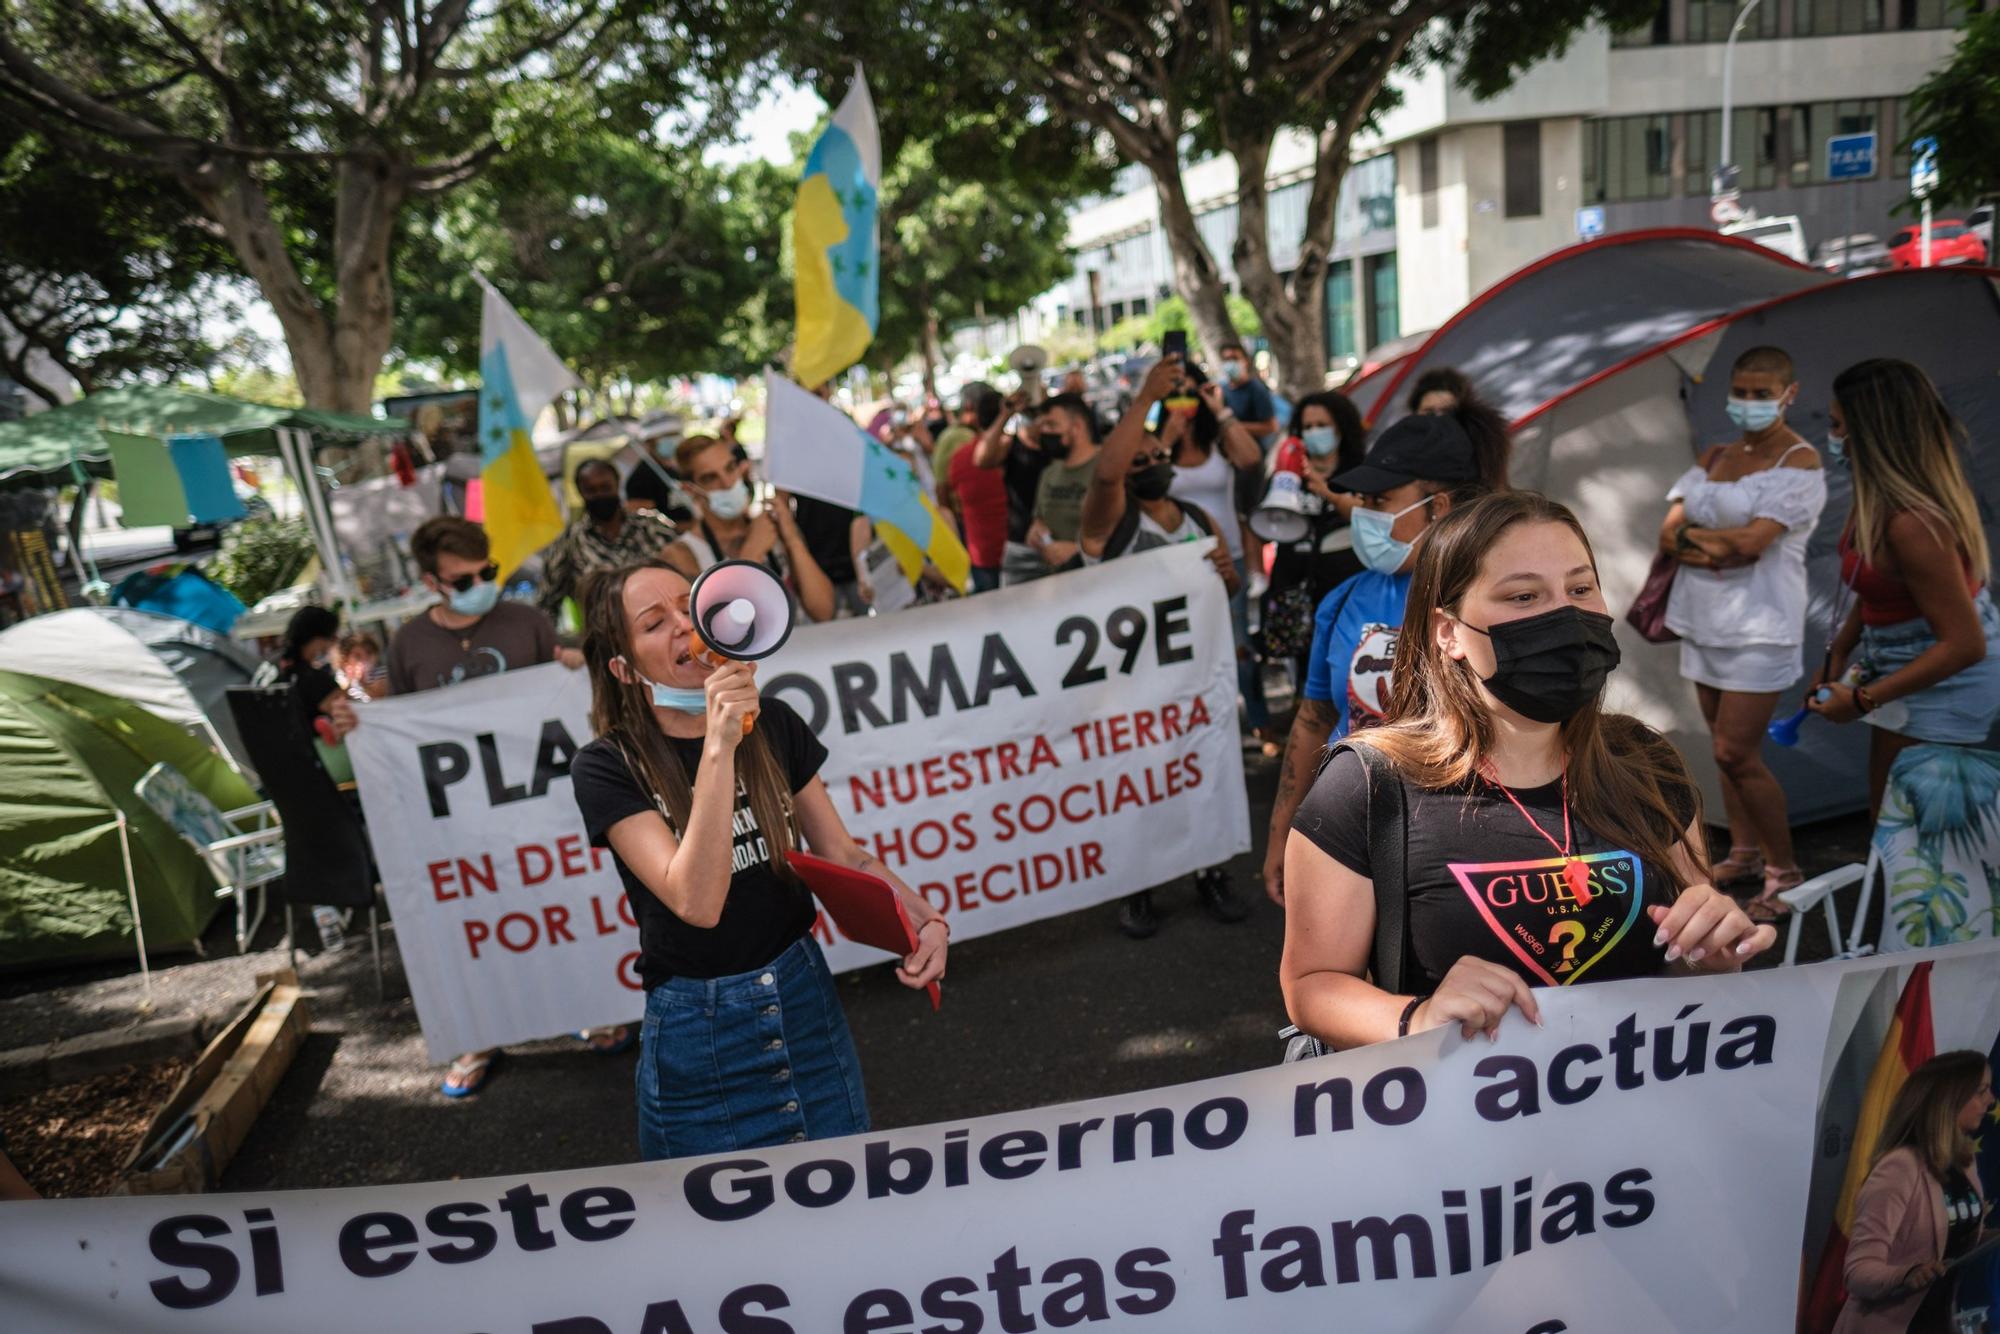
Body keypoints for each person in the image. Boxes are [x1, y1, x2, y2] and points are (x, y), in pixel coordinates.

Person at [1279, 491, 1777, 1048]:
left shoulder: (1649, 765)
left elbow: (1681, 969)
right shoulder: (1368, 784)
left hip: (1632, 1112)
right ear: (1448, 632)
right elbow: (1312, 985)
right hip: (1460, 1124)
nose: (1563, 615)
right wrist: (1417, 1020)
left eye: (1581, 588)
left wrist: (1711, 958)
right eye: (1523, 596)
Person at [570, 561, 947, 1159]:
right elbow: (695, 902)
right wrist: (719, 741)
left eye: (687, 604)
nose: (684, 625)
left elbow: (843, 852)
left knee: (843, 1192)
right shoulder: (606, 766)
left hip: (804, 1000)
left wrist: (921, 918)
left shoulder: (773, 723)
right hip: (700, 1031)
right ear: (623, 668)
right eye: (652, 623)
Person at [384, 515, 617, 1094]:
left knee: (560, 908)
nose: (480, 585)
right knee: (476, 922)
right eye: (462, 581)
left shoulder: (526, 621)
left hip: (541, 807)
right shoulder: (409, 643)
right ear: (432, 583)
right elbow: (397, 726)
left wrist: (570, 663)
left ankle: (585, 1006)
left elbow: (565, 690)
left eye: (486, 572)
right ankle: (481, 1033)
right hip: (461, 821)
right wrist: (356, 719)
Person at [1262, 411, 1504, 906]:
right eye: (1363, 501)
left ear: (1437, 506)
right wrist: (1282, 830)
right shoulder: (1346, 598)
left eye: (1379, 501)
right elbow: (1314, 718)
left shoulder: (1493, 597)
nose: (1363, 514)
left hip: (1454, 844)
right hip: (1346, 832)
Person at [1080, 357, 1248, 939]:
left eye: (1158, 456)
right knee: (1137, 786)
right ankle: (1137, 885)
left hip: (1193, 684)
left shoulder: (1198, 517)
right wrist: (1147, 397)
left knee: (1203, 772)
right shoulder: (1109, 524)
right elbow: (1104, 477)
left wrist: (1228, 575)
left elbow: (1226, 591)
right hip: (1128, 690)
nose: (1150, 464)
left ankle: (1211, 871)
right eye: (1138, 458)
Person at [1656, 346, 1826, 918]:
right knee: (1721, 750)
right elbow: (1668, 536)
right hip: (1702, 620)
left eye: (1761, 393)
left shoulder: (1799, 465)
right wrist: (1718, 549)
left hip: (1761, 626)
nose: (1748, 403)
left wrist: (1702, 545)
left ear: (1788, 394)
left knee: (1737, 751)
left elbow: (1756, 544)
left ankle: (1785, 871)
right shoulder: (1715, 454)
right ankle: (1747, 853)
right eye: (1741, 391)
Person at [1809, 359, 2000, 814]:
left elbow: (1965, 644)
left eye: (1837, 426)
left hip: (1946, 681)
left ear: (1869, 434)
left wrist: (1861, 699)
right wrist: (1836, 656)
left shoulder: (1912, 524)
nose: (1830, 437)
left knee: (1905, 826)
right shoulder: (1875, 499)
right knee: (1891, 816)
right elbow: (1874, 587)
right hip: (1904, 663)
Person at [1834, 1051, 1994, 1334]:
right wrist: (1907, 1275)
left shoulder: (1963, 1163)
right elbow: (1858, 1271)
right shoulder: (1900, 1168)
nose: (1990, 1101)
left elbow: (1956, 1240)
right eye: (1981, 1091)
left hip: (1940, 1320)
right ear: (1950, 1099)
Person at [661, 434, 837, 624]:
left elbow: (824, 611)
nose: (728, 483)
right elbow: (716, 629)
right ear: (690, 490)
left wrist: (792, 539)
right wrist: (751, 554)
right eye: (710, 478)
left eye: (730, 468)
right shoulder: (683, 554)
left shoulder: (772, 530)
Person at [1261, 391, 1368, 690]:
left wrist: (1326, 492)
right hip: (1295, 589)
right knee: (1307, 678)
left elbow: (1367, 518)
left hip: (1345, 590)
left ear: (1340, 429)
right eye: (1307, 427)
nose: (1313, 433)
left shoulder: (1360, 473)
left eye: (1322, 425)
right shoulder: (1287, 473)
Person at [537, 458, 676, 622]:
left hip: (665, 622)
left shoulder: (652, 526)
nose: (600, 495)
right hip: (606, 636)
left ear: (617, 484)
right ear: (580, 492)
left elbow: (683, 568)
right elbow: (546, 604)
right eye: (591, 490)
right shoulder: (569, 544)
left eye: (605, 487)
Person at [968, 388, 1071, 587]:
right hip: (1022, 548)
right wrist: (1005, 414)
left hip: (1063, 545)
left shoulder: (1063, 445)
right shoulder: (1011, 444)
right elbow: (981, 459)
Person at [1021, 393, 1103, 580]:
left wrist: (1080, 551)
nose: (1044, 432)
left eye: (1052, 425)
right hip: (1058, 583)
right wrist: (1035, 532)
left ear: (1077, 427)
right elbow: (1039, 519)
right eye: (1042, 426)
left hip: (1098, 579)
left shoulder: (1106, 469)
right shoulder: (1049, 473)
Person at [938, 384, 1009, 593]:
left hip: (982, 553)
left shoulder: (960, 456)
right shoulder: (1012, 448)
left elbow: (943, 492)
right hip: (1008, 550)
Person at [1406, 366, 1511, 488]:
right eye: (1429, 412)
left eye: (1447, 411)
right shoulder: (1402, 455)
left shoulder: (1483, 449)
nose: (1437, 419)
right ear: (1415, 414)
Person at [269, 605, 347, 734]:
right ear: (316, 639)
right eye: (332, 637)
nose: (334, 643)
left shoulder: (272, 664)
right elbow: (351, 711)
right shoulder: (313, 679)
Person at [624, 413, 694, 524]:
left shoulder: (678, 468)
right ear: (650, 441)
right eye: (667, 436)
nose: (674, 440)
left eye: (676, 435)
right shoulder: (639, 479)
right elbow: (646, 522)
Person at [1217, 341, 1279, 442]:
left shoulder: (1256, 389)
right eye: (1226, 360)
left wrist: (1232, 427)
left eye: (1234, 358)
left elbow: (1271, 427)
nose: (1230, 363)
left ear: (1246, 361)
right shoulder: (1221, 389)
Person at [334, 630, 389, 701]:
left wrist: (362, 682)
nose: (365, 658)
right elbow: (341, 698)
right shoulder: (342, 675)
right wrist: (349, 682)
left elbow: (379, 696)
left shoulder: (380, 671)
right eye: (357, 656)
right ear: (346, 659)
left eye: (369, 652)